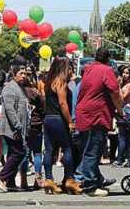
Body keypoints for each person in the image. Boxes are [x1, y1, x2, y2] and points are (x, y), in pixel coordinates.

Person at [75, 47, 123, 197]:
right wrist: (120, 109)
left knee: (88, 149)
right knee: (93, 151)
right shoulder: (106, 70)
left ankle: (97, 179)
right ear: (108, 59)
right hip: (96, 116)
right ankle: (90, 184)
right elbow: (115, 92)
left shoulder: (88, 69)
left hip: (83, 113)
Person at [42, 58, 81, 194]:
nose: (71, 71)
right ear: (65, 69)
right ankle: (70, 179)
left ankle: (48, 179)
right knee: (67, 148)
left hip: (48, 119)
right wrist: (70, 121)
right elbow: (63, 103)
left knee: (49, 150)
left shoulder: (48, 82)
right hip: (59, 119)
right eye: (70, 68)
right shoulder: (61, 83)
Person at [0, 64, 30, 192]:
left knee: (12, 154)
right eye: (21, 73)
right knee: (19, 153)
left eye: (25, 73)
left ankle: (10, 182)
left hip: (18, 129)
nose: (24, 76)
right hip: (11, 129)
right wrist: (17, 126)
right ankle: (1, 177)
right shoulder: (10, 88)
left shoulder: (20, 88)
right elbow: (10, 110)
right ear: (14, 74)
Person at [115, 65, 130, 167]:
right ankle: (126, 158)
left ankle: (121, 159)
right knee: (123, 136)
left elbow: (123, 98)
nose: (124, 75)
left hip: (126, 110)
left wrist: (118, 87)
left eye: (127, 73)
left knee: (123, 136)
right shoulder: (126, 84)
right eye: (124, 72)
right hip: (123, 110)